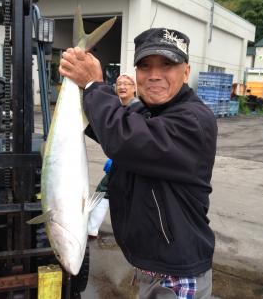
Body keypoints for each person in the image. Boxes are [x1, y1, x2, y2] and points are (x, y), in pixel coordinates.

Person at [59, 27, 217, 299]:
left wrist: (95, 86)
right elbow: (111, 127)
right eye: (145, 66)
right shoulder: (151, 113)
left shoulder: (194, 121)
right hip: (153, 267)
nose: (154, 75)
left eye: (167, 64)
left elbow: (125, 138)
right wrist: (76, 85)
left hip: (177, 277)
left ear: (187, 72)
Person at [87, 73, 140, 239]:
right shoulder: (117, 106)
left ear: (134, 88)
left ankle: (91, 229)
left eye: (127, 84)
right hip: (120, 162)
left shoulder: (138, 108)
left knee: (106, 191)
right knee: (106, 191)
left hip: (133, 164)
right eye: (119, 84)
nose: (122, 87)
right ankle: (91, 229)